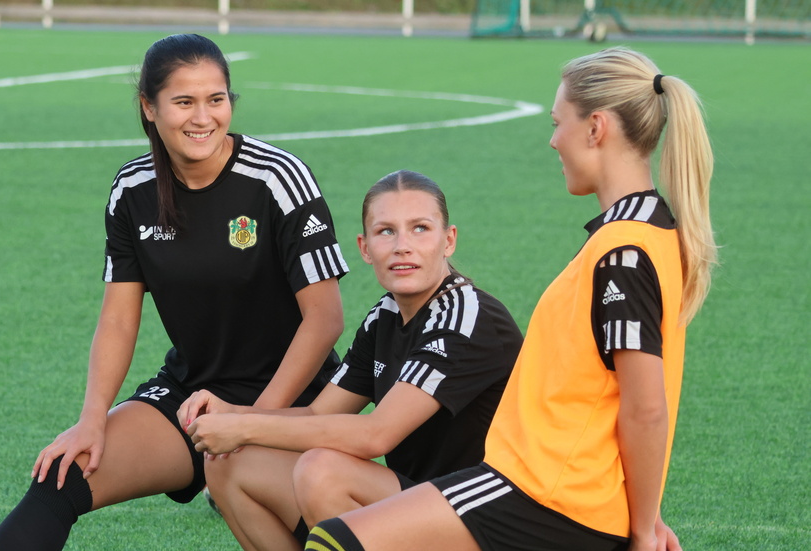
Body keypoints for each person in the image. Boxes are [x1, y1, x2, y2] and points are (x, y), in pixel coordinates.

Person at [305, 46, 716, 551]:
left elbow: (646, 408)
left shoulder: (623, 251)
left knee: (337, 543)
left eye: (558, 122)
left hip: (549, 496)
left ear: (596, 129)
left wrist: (643, 526)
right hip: (541, 488)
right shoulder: (642, 234)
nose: (552, 140)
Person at [0, 33, 349, 550]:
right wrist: (91, 420)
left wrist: (252, 421)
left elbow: (325, 319)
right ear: (148, 108)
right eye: (184, 102)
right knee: (63, 475)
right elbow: (118, 319)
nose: (203, 117)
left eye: (216, 100)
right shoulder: (132, 192)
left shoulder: (277, 178)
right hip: (190, 395)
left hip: (294, 399)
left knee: (322, 535)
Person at [178, 170, 524, 551]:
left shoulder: (465, 316)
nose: (402, 246)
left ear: (449, 240)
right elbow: (316, 415)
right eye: (386, 231)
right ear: (364, 247)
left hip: (487, 519)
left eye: (420, 228)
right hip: (422, 502)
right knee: (228, 463)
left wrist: (246, 428)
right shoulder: (387, 314)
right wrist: (234, 415)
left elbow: (376, 434)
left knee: (323, 473)